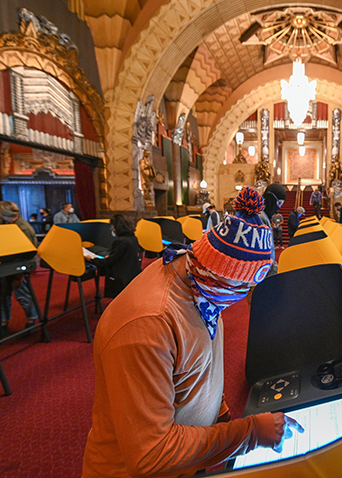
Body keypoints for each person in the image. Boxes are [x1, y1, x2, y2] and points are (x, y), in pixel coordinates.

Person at [82, 187, 303, 478]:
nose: (243, 298)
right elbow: (151, 454)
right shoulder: (148, 324)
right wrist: (249, 434)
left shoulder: (203, 288)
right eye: (245, 288)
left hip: (186, 462)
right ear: (222, 276)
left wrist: (221, 415)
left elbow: (200, 368)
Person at [0, 201, 39, 339]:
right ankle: (3, 321)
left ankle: (31, 321)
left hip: (19, 266)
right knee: (2, 294)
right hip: (7, 265)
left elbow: (26, 251)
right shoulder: (10, 225)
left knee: (23, 294)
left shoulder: (22, 228)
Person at [86, 215, 142, 299]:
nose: (112, 229)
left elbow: (108, 262)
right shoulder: (133, 238)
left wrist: (92, 259)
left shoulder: (120, 241)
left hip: (121, 278)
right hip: (132, 274)